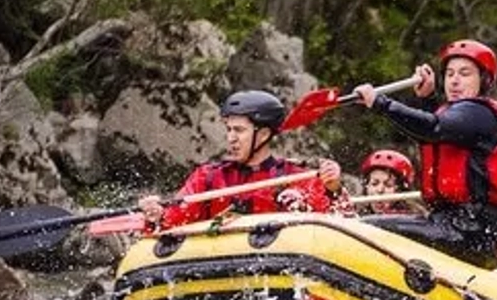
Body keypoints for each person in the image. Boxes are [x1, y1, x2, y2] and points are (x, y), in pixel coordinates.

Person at [355, 39, 497, 268]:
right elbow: (435, 134)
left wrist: (380, 103)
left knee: (363, 228)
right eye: (450, 73)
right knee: (363, 225)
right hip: (449, 223)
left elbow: (434, 128)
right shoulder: (455, 115)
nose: (454, 80)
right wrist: (427, 98)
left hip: (473, 230)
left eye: (464, 73)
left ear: (483, 80)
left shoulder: (480, 114)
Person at [139, 89, 350, 230]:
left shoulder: (296, 177)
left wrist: (333, 188)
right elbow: (173, 221)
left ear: (264, 134)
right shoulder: (208, 177)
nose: (231, 138)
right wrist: (156, 215)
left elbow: (335, 220)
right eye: (229, 129)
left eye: (239, 130)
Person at [357, 149, 422, 215]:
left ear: (401, 190)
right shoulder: (356, 217)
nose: (380, 190)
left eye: (388, 185)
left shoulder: (413, 220)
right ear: (366, 187)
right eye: (374, 184)